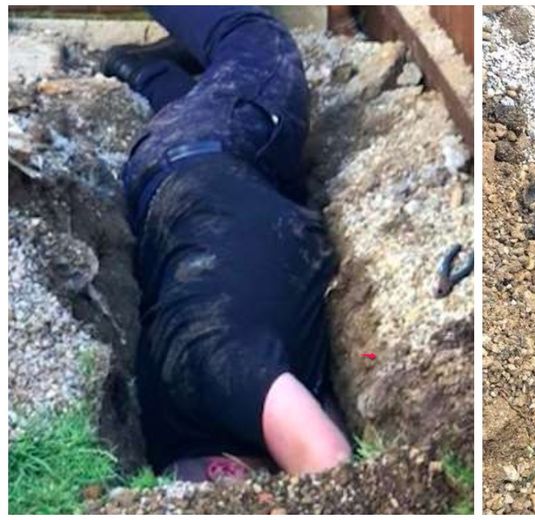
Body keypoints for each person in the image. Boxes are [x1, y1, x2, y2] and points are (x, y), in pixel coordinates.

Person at [101, 6, 351, 481]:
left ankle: (192, 47)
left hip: (224, 143)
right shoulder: (175, 427)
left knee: (257, 38)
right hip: (168, 181)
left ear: (223, 473)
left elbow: (333, 468)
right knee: (205, 100)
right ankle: (144, 70)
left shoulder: (227, 377)